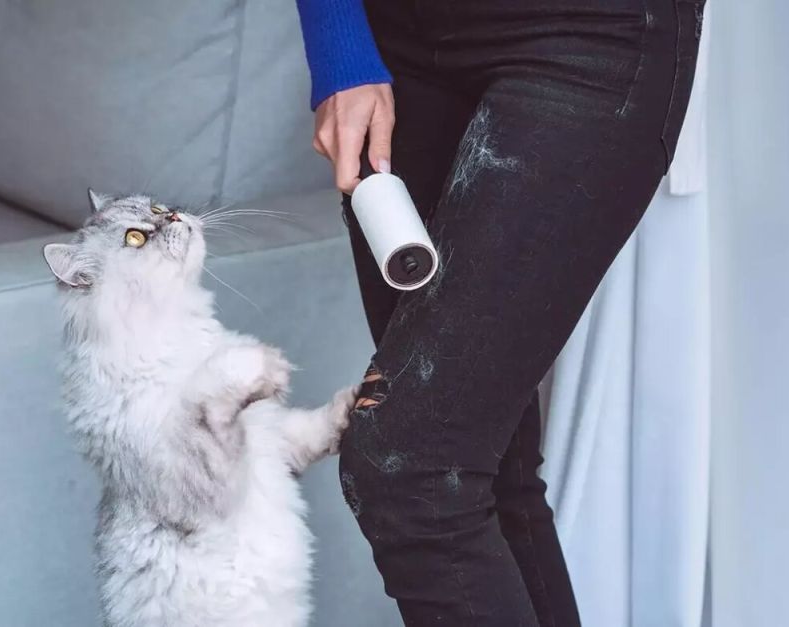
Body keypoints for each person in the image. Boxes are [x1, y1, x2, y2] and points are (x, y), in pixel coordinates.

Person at [294, 0, 704, 625]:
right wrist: (337, 48)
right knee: (479, 469)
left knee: (413, 469)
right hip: (392, 47)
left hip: (588, 37)